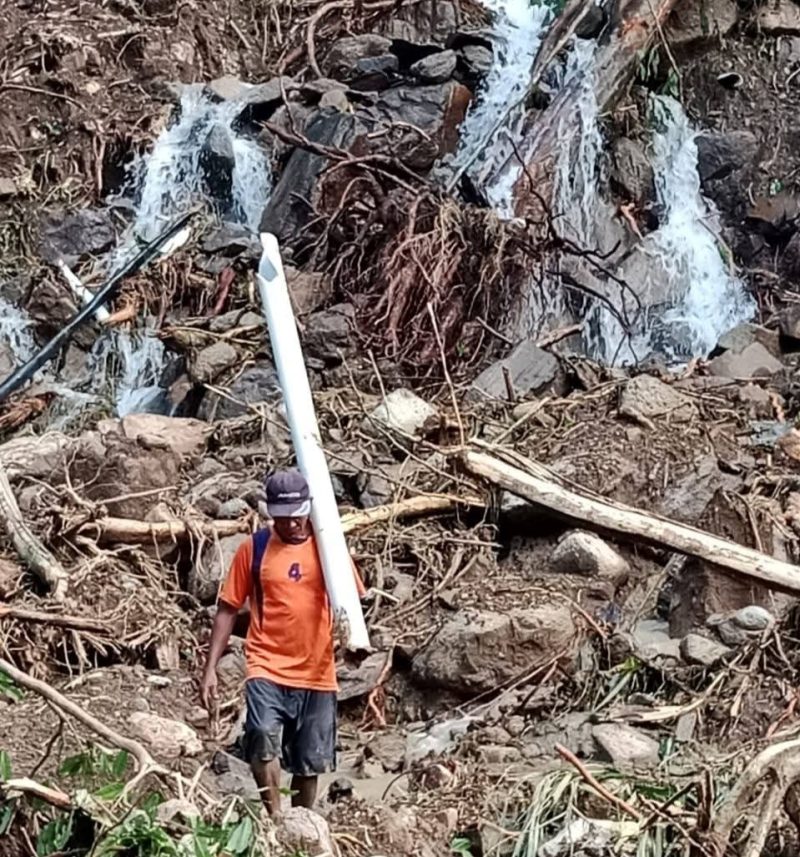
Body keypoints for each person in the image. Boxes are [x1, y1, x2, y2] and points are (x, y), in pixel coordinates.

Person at [200, 470, 365, 817]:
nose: (292, 525)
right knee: (260, 737)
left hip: (317, 671)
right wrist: (210, 669)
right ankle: (274, 817)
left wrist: (354, 644)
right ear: (271, 513)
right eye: (283, 518)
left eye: (298, 516)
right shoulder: (255, 548)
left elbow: (351, 603)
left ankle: (300, 823)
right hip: (266, 664)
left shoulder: (329, 550)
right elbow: (228, 608)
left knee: (309, 763)